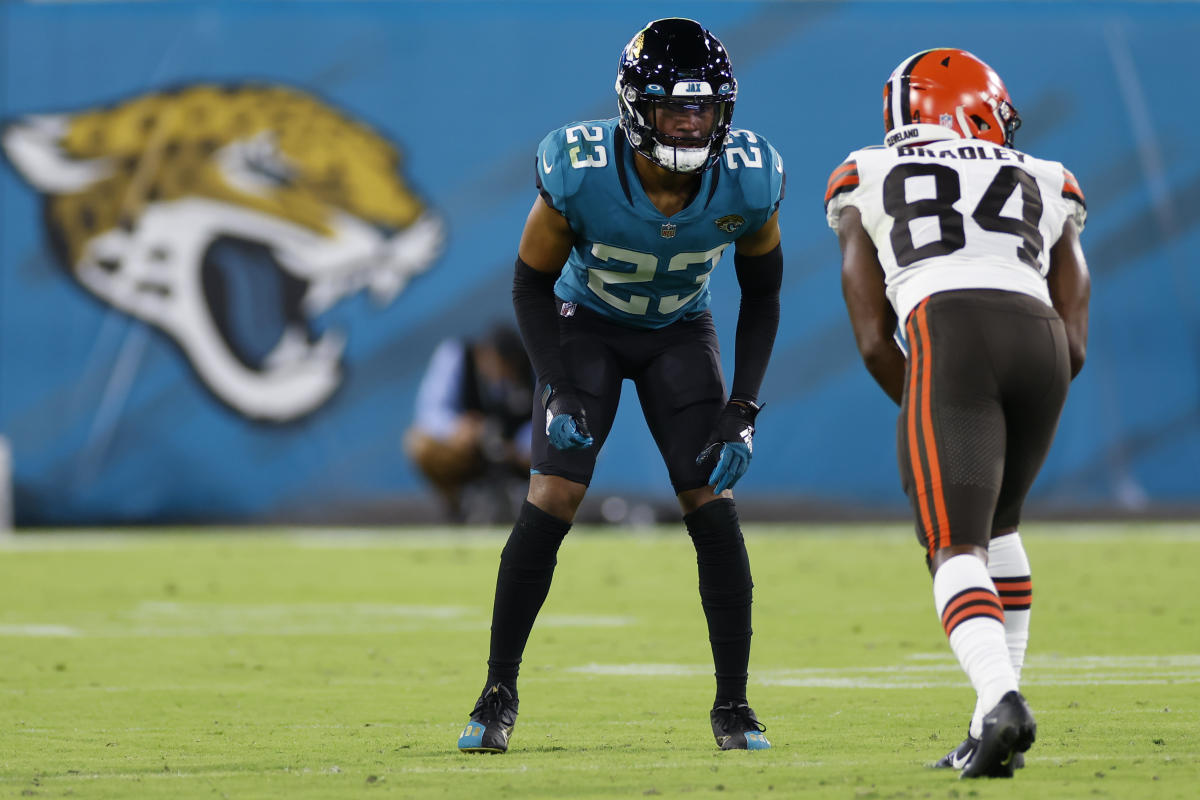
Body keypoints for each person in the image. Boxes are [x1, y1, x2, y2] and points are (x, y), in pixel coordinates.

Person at [456, 18, 785, 754]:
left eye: (704, 107)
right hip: (586, 324)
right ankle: (497, 692)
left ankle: (733, 705)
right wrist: (559, 383)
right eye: (675, 107)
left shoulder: (749, 175)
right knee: (554, 490)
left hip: (679, 330)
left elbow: (762, 295)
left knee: (711, 496)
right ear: (638, 108)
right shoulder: (582, 166)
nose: (693, 122)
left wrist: (743, 406)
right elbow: (530, 281)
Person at [825, 49, 1090, 778]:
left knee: (952, 544)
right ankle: (986, 723)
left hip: (951, 330)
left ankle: (1002, 698)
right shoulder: (1044, 173)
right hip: (1042, 341)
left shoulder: (868, 171)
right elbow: (1075, 319)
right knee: (999, 526)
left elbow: (876, 334)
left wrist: (933, 403)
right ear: (974, 106)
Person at [403, 324, 534, 523]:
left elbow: (543, 418)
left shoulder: (532, 366)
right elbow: (429, 412)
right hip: (471, 452)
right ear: (483, 354)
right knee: (419, 443)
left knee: (562, 448)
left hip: (515, 457)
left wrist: (521, 448)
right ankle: (458, 504)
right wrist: (457, 428)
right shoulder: (456, 356)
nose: (502, 374)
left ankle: (540, 508)